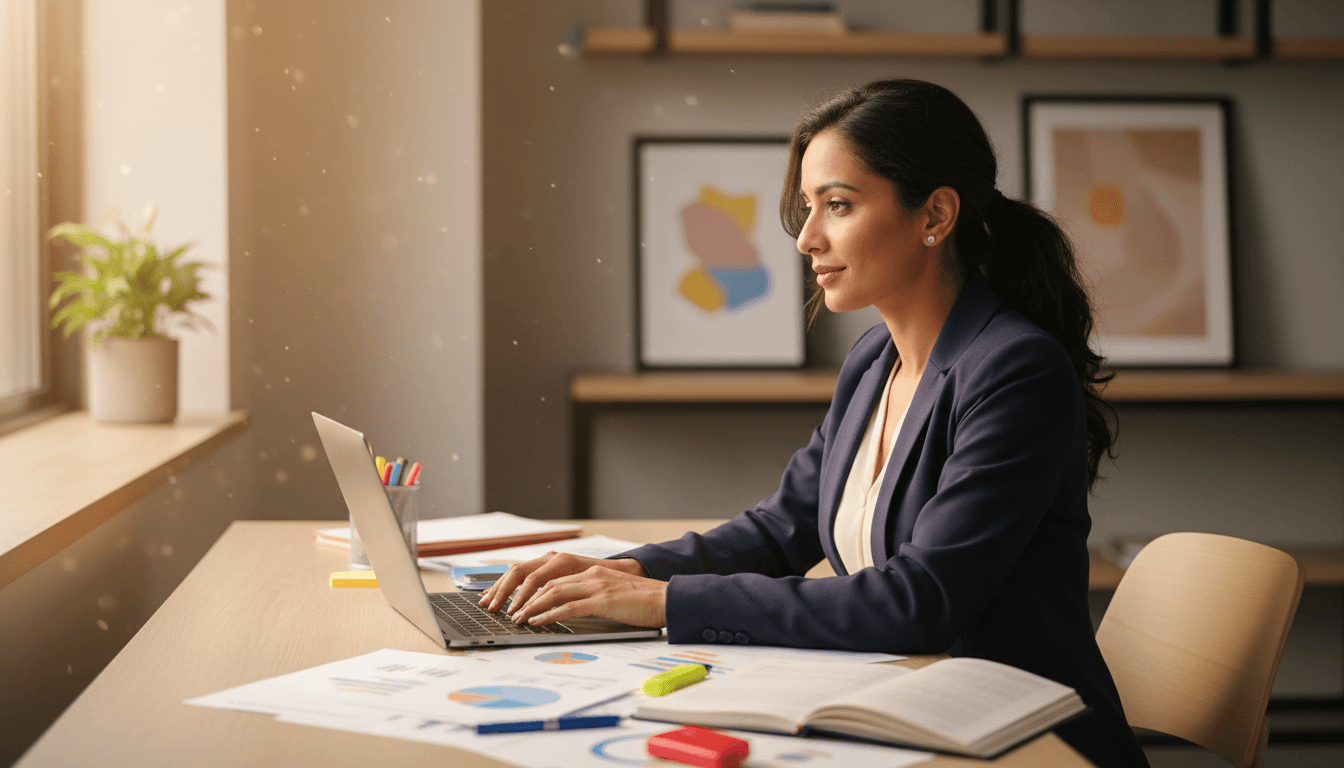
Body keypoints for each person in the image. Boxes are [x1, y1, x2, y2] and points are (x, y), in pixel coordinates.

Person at [481, 79, 1149, 767]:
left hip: (1021, 744)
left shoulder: (1015, 371)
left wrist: (663, 601)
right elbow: (780, 529)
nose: (806, 239)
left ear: (935, 215)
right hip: (903, 712)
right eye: (808, 208)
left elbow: (922, 600)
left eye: (838, 205)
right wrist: (617, 571)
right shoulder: (873, 363)